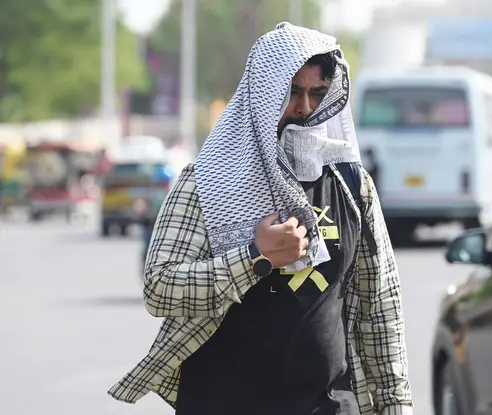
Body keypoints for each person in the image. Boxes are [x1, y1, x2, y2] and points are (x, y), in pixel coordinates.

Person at [108, 22, 413, 415]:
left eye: (317, 93)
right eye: (292, 92)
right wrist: (255, 258)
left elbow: (379, 306)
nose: (304, 108)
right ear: (263, 94)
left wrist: (396, 405)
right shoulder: (208, 179)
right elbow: (160, 286)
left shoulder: (351, 185)